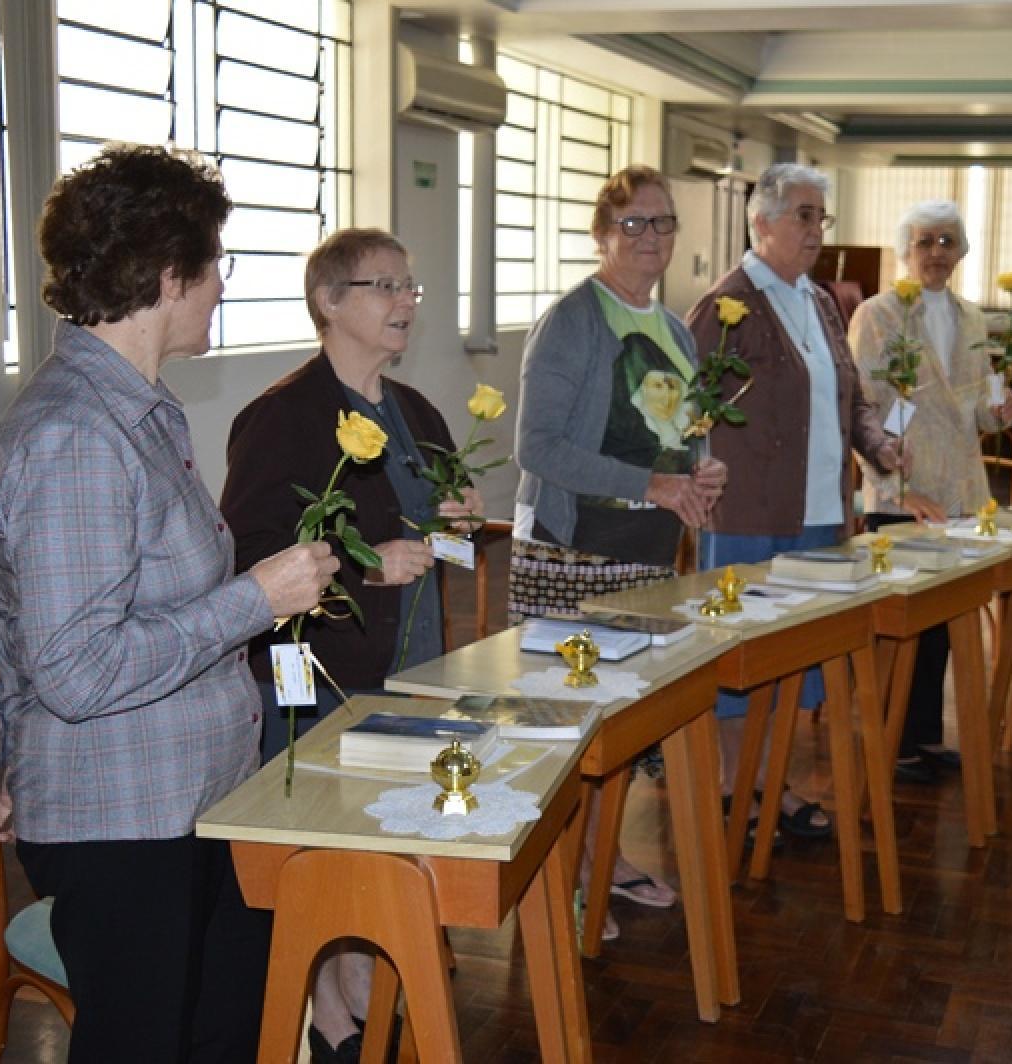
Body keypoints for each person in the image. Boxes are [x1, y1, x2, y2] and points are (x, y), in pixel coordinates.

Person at [0, 144, 339, 1064]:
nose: (221, 288)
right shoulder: (77, 435)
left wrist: (20, 748)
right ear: (171, 276)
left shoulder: (137, 409)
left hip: (184, 794)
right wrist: (257, 598)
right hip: (124, 817)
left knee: (220, 1028)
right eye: (215, 266)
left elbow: (25, 627)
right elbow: (76, 665)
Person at [219, 227, 479, 1063]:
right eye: (385, 286)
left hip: (409, 665)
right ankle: (321, 996)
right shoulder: (280, 416)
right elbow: (251, 555)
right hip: (317, 667)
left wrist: (461, 527)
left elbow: (451, 544)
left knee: (378, 829)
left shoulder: (417, 413)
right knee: (318, 838)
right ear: (330, 303)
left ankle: (368, 966)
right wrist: (366, 574)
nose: (407, 302)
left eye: (411, 288)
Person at [686, 162, 944, 836]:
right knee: (743, 659)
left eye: (821, 218)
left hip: (822, 514)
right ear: (762, 221)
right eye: (804, 216)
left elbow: (851, 399)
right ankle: (731, 794)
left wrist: (880, 448)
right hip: (750, 516)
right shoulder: (725, 306)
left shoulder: (823, 300)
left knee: (797, 660)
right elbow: (689, 412)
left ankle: (774, 788)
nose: (816, 231)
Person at [511, 164, 727, 939]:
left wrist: (698, 477)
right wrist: (654, 481)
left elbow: (680, 437)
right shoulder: (574, 320)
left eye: (662, 223)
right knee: (568, 728)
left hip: (645, 551)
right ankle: (559, 880)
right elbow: (536, 448)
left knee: (624, 725)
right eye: (633, 223)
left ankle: (606, 858)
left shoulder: (673, 329)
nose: (649, 238)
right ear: (602, 233)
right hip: (575, 553)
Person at [848, 198, 1012, 783]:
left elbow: (977, 409)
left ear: (962, 251)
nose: (938, 253)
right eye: (926, 242)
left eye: (948, 242)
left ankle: (922, 736)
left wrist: (1001, 412)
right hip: (905, 488)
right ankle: (887, 745)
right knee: (898, 627)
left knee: (943, 625)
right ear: (906, 250)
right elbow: (864, 410)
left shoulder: (973, 318)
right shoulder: (878, 314)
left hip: (961, 491)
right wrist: (895, 489)